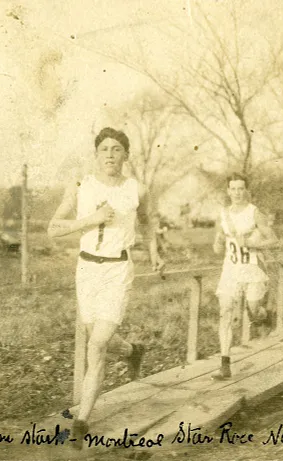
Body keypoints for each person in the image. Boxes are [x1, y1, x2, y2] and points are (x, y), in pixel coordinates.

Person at [47, 127, 165, 449]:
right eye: (104, 149)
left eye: (116, 149)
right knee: (96, 337)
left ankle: (82, 422)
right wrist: (90, 219)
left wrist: (155, 254)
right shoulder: (80, 185)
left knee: (96, 345)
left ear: (126, 155)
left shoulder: (136, 189)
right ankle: (132, 352)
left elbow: (149, 222)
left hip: (118, 268)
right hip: (87, 268)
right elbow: (53, 229)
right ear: (96, 155)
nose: (110, 155)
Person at [211, 173, 280, 380]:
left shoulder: (254, 212)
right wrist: (218, 244)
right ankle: (225, 364)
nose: (237, 193)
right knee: (225, 311)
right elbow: (217, 244)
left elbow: (274, 240)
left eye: (241, 188)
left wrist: (250, 244)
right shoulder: (223, 214)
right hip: (230, 269)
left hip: (253, 268)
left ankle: (264, 316)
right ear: (228, 191)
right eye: (233, 189)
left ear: (246, 190)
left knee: (253, 309)